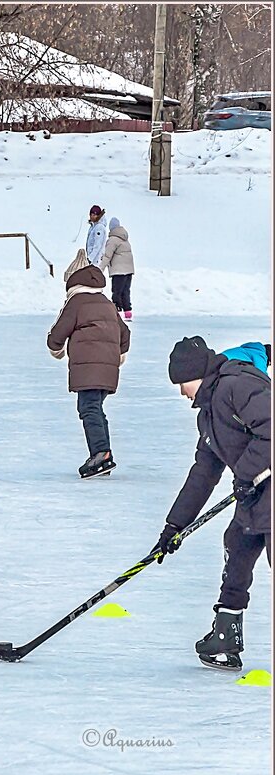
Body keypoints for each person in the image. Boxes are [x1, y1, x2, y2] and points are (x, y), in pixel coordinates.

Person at [153, 336, 271, 670]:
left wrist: (247, 473)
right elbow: (203, 472)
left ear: (197, 374)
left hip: (265, 488)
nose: (180, 392)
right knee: (237, 546)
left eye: (181, 383)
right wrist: (174, 525)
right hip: (256, 494)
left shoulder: (237, 385)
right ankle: (226, 637)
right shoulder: (208, 416)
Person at [46, 249, 131, 478]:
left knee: (89, 408)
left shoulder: (76, 302)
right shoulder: (106, 302)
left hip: (88, 366)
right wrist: (120, 354)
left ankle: (101, 453)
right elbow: (125, 332)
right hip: (108, 367)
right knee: (95, 408)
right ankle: (103, 453)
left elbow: (58, 331)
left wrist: (56, 348)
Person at [101, 217, 135, 321]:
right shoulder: (125, 239)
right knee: (125, 291)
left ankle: (118, 312)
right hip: (128, 270)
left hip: (119, 271)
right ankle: (128, 312)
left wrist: (100, 268)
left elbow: (107, 256)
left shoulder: (113, 240)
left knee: (116, 292)